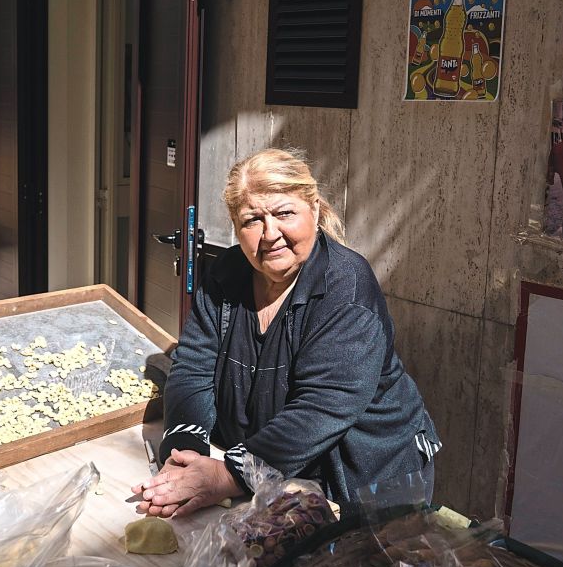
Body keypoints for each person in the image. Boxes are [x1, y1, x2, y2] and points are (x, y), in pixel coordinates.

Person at [132, 148, 441, 518]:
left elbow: (324, 405)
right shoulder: (227, 274)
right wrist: (185, 454)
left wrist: (229, 475)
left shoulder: (345, 286)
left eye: (284, 213)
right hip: (274, 476)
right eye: (251, 220)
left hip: (366, 476)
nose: (269, 234)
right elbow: (193, 366)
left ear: (313, 209)